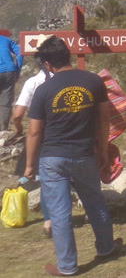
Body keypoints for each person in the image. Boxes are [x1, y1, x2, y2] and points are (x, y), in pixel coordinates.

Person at [24, 36, 122, 276]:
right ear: (67, 56)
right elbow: (103, 119)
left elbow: (34, 132)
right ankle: (106, 247)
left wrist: (29, 166)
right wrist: (101, 151)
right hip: (84, 154)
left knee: (59, 213)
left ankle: (67, 267)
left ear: (47, 65)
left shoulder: (43, 90)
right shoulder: (93, 81)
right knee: (94, 201)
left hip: (52, 158)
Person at [12, 54, 54, 237]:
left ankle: (49, 221)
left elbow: (18, 114)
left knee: (47, 179)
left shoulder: (32, 83)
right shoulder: (63, 80)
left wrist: (18, 129)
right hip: (65, 133)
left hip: (40, 135)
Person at [0, 29, 23, 130]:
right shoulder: (6, 40)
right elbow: (21, 53)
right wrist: (17, 69)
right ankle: (2, 129)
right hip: (9, 71)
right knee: (6, 101)